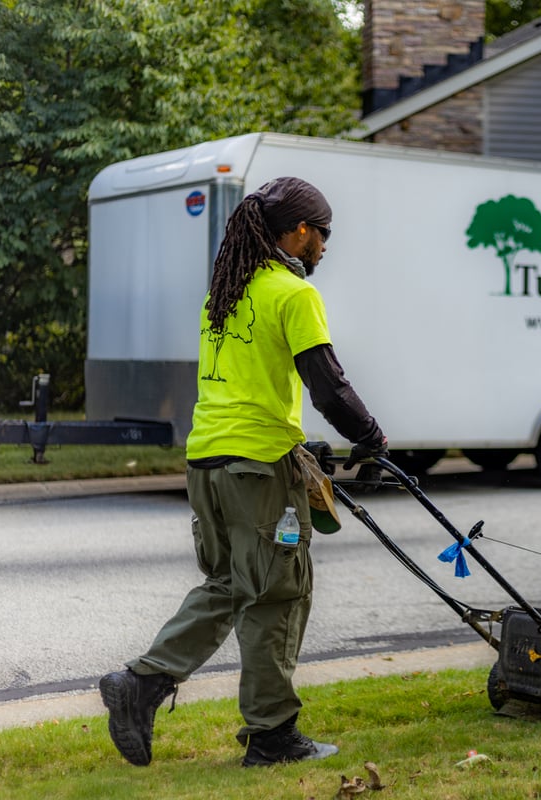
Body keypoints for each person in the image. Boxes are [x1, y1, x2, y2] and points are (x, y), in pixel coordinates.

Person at [99, 176, 387, 768]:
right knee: (280, 593)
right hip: (258, 468)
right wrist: (372, 439)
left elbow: (243, 389)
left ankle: (148, 686)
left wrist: (302, 440)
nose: (325, 248)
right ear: (299, 230)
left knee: (232, 585)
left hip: (208, 461)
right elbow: (328, 385)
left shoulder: (225, 293)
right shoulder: (291, 293)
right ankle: (268, 734)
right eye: (323, 234)